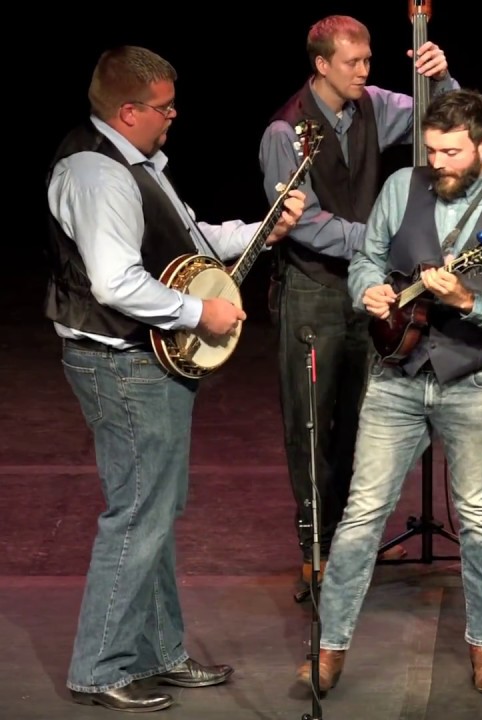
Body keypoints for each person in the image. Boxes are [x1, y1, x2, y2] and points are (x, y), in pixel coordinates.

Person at [46, 46, 305, 712]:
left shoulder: (135, 164)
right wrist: (199, 313)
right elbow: (115, 282)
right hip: (123, 365)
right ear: (128, 111)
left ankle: (156, 653)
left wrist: (262, 230)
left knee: (154, 511)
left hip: (142, 363)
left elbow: (189, 239)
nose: (173, 115)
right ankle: (99, 666)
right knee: (138, 512)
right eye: (163, 106)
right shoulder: (100, 176)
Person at [294, 88, 482, 695]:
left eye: (452, 152)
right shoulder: (400, 187)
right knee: (361, 515)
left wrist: (468, 301)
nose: (438, 163)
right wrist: (368, 289)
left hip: (474, 382)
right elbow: (368, 257)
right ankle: (328, 648)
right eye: (431, 150)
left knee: (478, 516)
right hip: (396, 376)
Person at [258, 14, 461, 587]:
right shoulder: (285, 132)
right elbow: (300, 221)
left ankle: (354, 540)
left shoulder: (371, 105)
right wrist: (374, 239)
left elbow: (445, 122)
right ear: (322, 64)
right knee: (313, 424)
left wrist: (441, 80)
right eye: (354, 62)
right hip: (312, 289)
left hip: (368, 288)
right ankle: (316, 547)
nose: (365, 71)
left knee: (363, 420)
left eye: (369, 60)